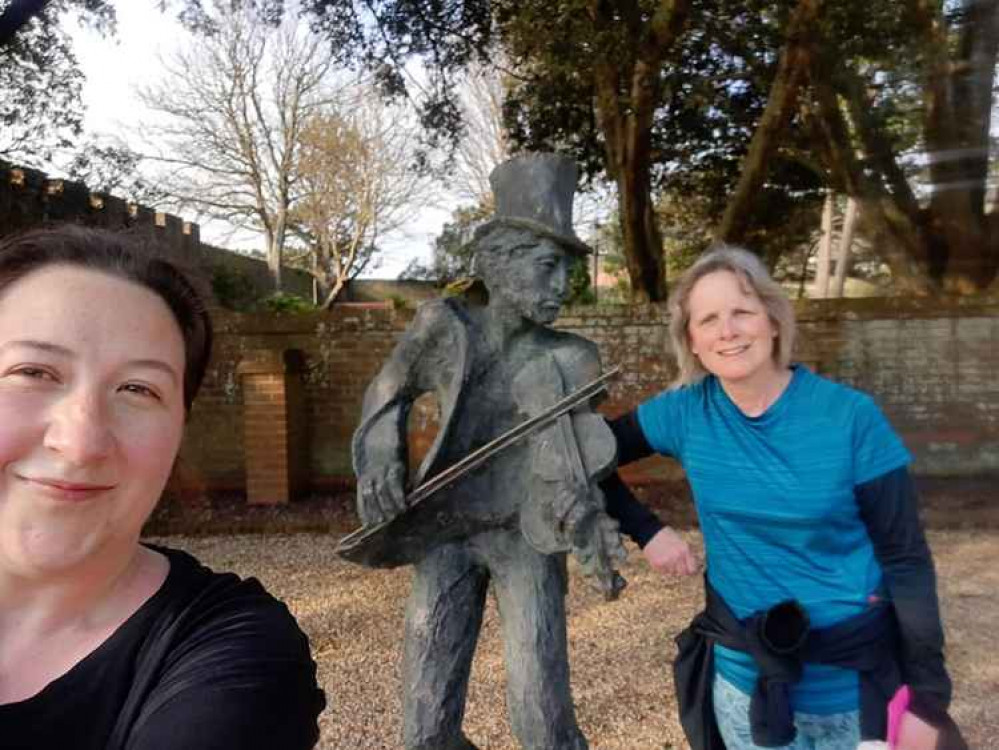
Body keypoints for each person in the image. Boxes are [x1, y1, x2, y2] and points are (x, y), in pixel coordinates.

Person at [601, 245, 964, 750]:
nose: (727, 330)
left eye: (742, 311)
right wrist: (647, 530)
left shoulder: (850, 417)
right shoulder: (685, 413)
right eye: (708, 320)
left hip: (852, 695)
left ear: (772, 321)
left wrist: (927, 698)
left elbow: (906, 559)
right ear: (693, 342)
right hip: (746, 689)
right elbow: (580, 454)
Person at [0, 225, 325, 750]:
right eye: (33, 371)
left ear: (179, 428)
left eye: (137, 389)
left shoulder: (228, 655)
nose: (82, 442)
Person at [349, 153, 625, 750]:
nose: (562, 286)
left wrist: (580, 510)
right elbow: (387, 389)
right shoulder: (444, 326)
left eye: (568, 272)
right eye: (548, 266)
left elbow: (573, 460)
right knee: (424, 728)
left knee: (542, 717)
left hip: (524, 535)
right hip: (444, 530)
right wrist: (380, 455)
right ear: (499, 263)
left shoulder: (574, 357)